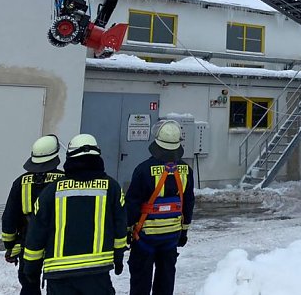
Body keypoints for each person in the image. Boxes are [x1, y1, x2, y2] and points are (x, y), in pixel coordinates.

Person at [22, 134, 127, 294]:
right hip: (97, 273)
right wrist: (118, 257)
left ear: (70, 158)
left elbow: (36, 233)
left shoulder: (51, 191)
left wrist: (31, 267)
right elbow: (120, 227)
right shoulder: (112, 188)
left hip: (59, 276)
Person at [126, 120, 196, 295]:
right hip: (171, 237)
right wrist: (184, 232)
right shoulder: (186, 170)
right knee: (165, 283)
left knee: (140, 283)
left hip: (144, 237)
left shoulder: (143, 170)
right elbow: (188, 202)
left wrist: (127, 231)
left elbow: (132, 203)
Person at [1, 135, 65, 295]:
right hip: (59, 244)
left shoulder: (20, 182)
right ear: (56, 156)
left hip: (27, 244)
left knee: (29, 285)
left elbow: (9, 218)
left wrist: (10, 247)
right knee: (59, 285)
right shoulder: (66, 181)